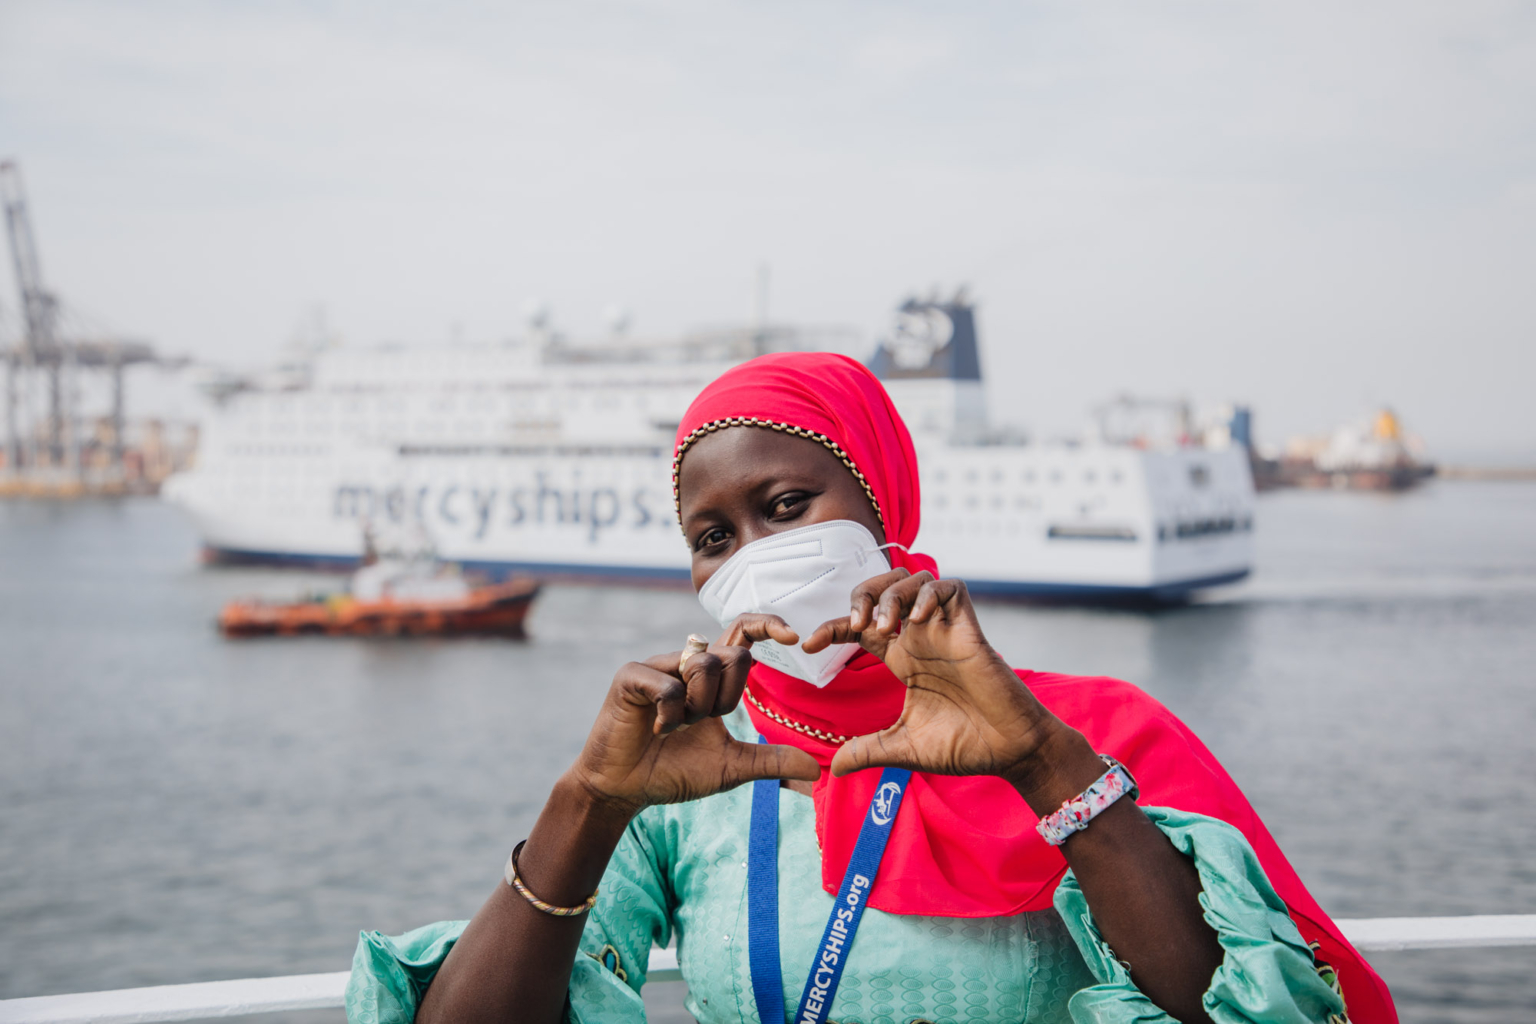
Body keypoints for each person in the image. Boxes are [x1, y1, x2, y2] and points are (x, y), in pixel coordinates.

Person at [345, 353, 1396, 1024]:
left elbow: (1252, 1012)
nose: (754, 555)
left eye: (787, 504)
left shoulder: (1096, 730)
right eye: (715, 538)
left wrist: (1042, 762)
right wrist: (588, 801)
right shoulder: (693, 766)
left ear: (881, 493)